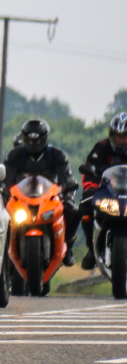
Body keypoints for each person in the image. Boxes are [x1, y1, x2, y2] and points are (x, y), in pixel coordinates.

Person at [3, 119, 79, 266]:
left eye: (37, 141)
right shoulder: (15, 155)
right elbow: (6, 178)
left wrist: (69, 194)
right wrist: (3, 194)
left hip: (48, 200)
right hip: (21, 201)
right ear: (24, 139)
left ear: (45, 139)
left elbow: (67, 177)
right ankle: (4, 251)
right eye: (30, 141)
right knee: (2, 215)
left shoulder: (57, 155)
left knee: (73, 210)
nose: (34, 145)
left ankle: (68, 247)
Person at [77, 113, 127, 269]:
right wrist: (90, 189)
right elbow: (88, 171)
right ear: (112, 135)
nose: (121, 140)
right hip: (108, 193)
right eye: (118, 137)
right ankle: (92, 250)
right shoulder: (101, 147)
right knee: (84, 206)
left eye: (124, 137)